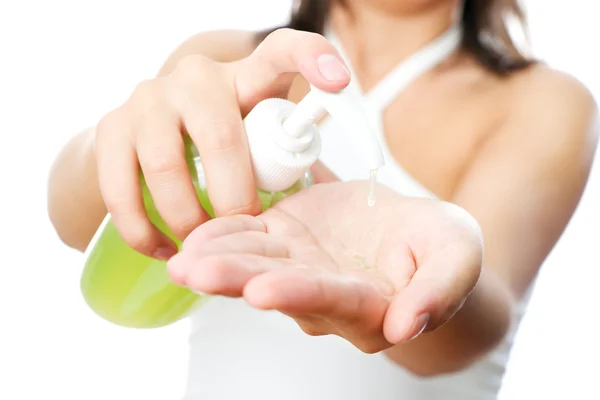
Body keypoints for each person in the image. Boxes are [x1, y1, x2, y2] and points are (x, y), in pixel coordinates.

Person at [47, 0, 598, 399]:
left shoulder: (540, 102)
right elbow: (74, 222)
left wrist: (420, 275)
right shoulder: (222, 61)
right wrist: (118, 137)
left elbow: (477, 319)